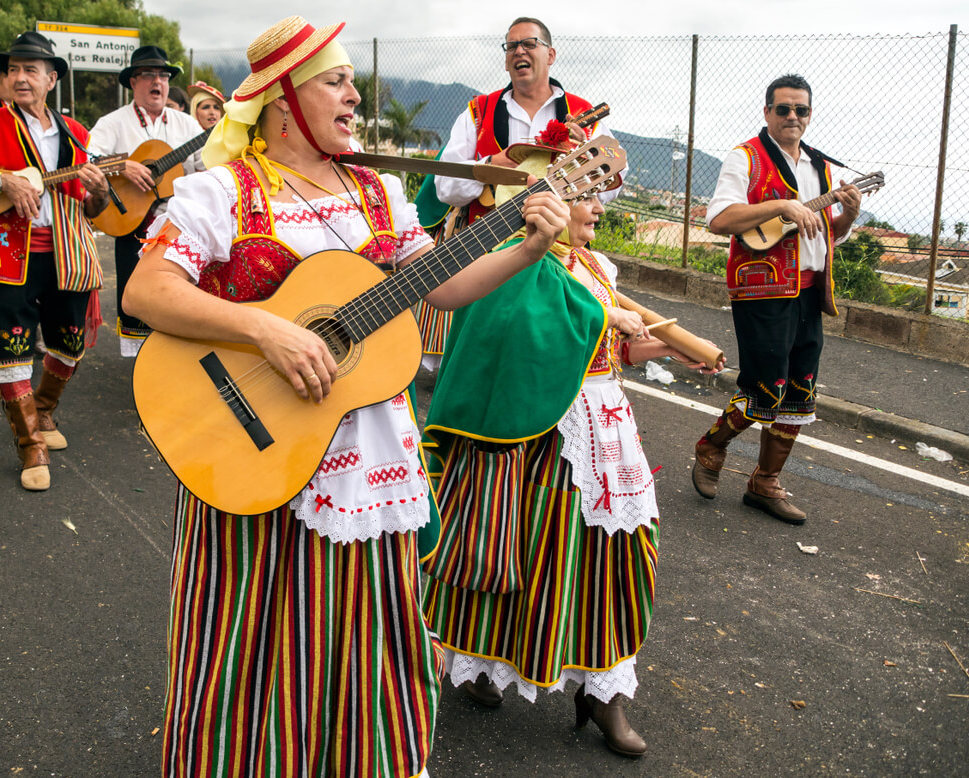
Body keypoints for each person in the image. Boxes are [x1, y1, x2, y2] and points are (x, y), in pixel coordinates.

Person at [121, 16, 569, 775]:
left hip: (367, 463)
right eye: (336, 81)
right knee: (252, 634)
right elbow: (147, 290)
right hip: (252, 453)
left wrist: (526, 245)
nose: (354, 96)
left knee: (370, 633)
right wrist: (267, 332)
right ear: (285, 97)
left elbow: (448, 286)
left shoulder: (381, 194)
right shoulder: (221, 189)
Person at [419, 135, 714, 758]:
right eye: (586, 194)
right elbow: (516, 342)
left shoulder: (596, 269)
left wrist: (673, 350)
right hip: (540, 438)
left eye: (602, 193)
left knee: (621, 554)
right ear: (545, 197)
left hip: (610, 431)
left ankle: (603, 694)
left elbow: (621, 351)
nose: (598, 205)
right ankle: (482, 667)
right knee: (534, 556)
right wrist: (601, 320)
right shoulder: (517, 260)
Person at [691, 74, 862, 524]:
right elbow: (720, 219)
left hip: (809, 290)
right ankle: (712, 446)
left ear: (809, 115)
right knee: (767, 384)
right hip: (762, 289)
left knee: (801, 389)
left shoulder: (822, 169)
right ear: (767, 112)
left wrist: (848, 215)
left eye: (800, 110)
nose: (792, 117)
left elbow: (829, 236)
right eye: (783, 109)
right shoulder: (745, 157)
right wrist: (780, 206)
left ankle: (765, 482)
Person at [415, 16, 627, 363]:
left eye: (529, 43)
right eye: (511, 46)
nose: (519, 51)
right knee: (482, 357)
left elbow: (609, 188)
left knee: (545, 355)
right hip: (485, 254)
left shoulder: (585, 115)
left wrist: (580, 155)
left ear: (551, 54)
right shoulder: (477, 112)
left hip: (558, 261)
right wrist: (490, 167)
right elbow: (446, 189)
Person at [0, 32, 109, 490]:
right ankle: (32, 446)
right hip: (10, 252)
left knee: (69, 344)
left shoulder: (77, 133)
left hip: (68, 253)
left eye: (32, 70)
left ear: (51, 80)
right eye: (14, 69)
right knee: (11, 349)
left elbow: (93, 210)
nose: (21, 77)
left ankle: (44, 410)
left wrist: (101, 192)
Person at [87, 45, 202, 357]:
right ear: (133, 82)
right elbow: (86, 159)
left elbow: (206, 169)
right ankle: (141, 368)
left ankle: (174, 364)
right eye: (149, 75)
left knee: (177, 297)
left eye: (163, 76)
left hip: (177, 227)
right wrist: (122, 165)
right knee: (135, 298)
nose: (159, 82)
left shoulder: (186, 125)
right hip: (130, 221)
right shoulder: (112, 123)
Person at [182, 80, 225, 174]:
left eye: (216, 108)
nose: (212, 112)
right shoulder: (184, 138)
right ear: (195, 111)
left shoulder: (228, 139)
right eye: (206, 107)